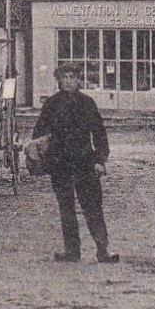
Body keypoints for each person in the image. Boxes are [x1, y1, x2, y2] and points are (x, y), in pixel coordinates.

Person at [29, 64, 118, 263]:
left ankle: (103, 249)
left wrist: (100, 160)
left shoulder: (87, 103)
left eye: (72, 77)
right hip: (60, 165)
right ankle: (72, 251)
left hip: (85, 163)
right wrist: (44, 154)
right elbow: (39, 134)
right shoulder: (51, 104)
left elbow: (99, 134)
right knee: (66, 208)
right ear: (58, 80)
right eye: (64, 77)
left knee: (93, 206)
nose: (68, 81)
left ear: (78, 80)